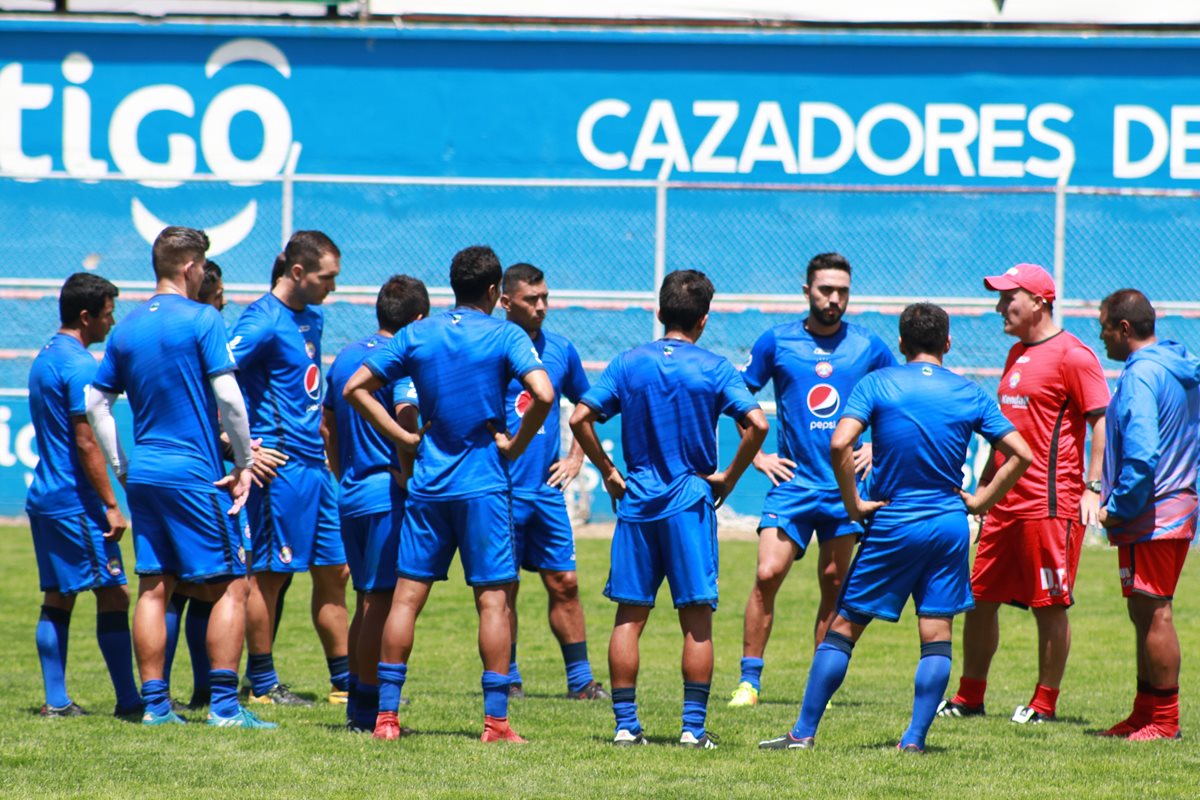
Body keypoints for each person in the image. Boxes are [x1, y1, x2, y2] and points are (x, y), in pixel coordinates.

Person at [759, 302, 1032, 753]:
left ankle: (803, 734)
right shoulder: (969, 391)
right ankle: (914, 740)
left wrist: (853, 503)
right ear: (947, 343)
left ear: (902, 343)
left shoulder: (878, 383)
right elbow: (1020, 453)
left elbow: (840, 441)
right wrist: (981, 501)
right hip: (948, 523)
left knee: (844, 627)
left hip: (893, 520)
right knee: (937, 632)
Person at [345, 244, 553, 743]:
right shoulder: (506, 335)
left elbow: (356, 387)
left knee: (406, 599)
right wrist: (516, 443)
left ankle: (387, 719)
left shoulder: (418, 333)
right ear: (493, 292)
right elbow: (544, 394)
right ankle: (496, 723)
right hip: (483, 485)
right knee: (493, 603)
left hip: (429, 484)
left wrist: (405, 439)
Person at [571, 269, 769, 749]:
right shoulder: (714, 367)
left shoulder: (627, 363)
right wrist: (728, 477)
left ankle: (624, 726)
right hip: (688, 503)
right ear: (703, 319)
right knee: (696, 619)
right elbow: (757, 425)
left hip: (637, 502)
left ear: (659, 313)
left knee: (629, 617)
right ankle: (692, 730)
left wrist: (610, 472)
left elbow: (580, 417)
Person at [86, 225, 271, 728]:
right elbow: (230, 398)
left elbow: (96, 402)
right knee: (234, 585)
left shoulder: (124, 329)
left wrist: (122, 464)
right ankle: (227, 710)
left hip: (146, 470)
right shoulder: (202, 319)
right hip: (195, 471)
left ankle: (156, 706)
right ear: (191, 268)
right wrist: (244, 464)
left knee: (154, 584)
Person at [941, 263, 1109, 725]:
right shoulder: (1016, 353)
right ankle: (969, 697)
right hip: (1004, 504)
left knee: (1049, 604)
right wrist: (984, 488)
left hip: (1050, 506)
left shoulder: (1074, 355)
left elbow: (1100, 421)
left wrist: (1093, 487)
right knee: (978, 598)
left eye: (1007, 298)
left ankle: (1044, 704)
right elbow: (1008, 434)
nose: (999, 307)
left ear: (1039, 301)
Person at [728, 252, 895, 708]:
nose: (834, 299)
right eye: (826, 290)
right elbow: (735, 396)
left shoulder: (868, 347)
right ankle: (749, 682)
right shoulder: (776, 342)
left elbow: (897, 401)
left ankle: (815, 688)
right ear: (807, 291)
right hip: (794, 484)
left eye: (842, 291)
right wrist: (758, 456)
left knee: (834, 582)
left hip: (844, 489)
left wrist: (876, 446)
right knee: (767, 573)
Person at [231, 231, 350, 706]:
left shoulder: (312, 319)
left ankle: (345, 682)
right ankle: (262, 684)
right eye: (327, 278)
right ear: (297, 272)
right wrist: (240, 446)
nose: (333, 288)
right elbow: (213, 374)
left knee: (335, 571)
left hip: (315, 468)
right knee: (270, 575)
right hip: (279, 469)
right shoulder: (261, 320)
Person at [26, 272, 141, 718]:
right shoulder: (80, 366)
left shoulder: (45, 357)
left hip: (46, 496)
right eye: (108, 315)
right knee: (114, 594)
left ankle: (57, 701)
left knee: (58, 596)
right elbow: (86, 439)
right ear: (86, 315)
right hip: (75, 502)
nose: (111, 324)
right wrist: (112, 503)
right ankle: (129, 701)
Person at [324, 274, 429, 732]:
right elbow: (407, 418)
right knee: (380, 603)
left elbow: (327, 427)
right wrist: (408, 473)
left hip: (349, 492)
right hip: (386, 494)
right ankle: (369, 709)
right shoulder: (400, 362)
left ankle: (355, 706)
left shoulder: (346, 357)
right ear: (418, 319)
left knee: (366, 597)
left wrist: (342, 473)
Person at [499, 262, 608, 701]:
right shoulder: (491, 347)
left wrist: (576, 457)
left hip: (546, 493)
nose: (542, 307)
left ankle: (580, 681)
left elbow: (586, 407)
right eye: (531, 299)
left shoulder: (561, 349)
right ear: (506, 302)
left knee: (564, 583)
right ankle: (506, 677)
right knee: (502, 587)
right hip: (501, 489)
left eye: (545, 297)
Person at [1096, 289, 1199, 741]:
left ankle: (1165, 720)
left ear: (1123, 328)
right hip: (1168, 507)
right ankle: (1144, 714)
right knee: (1143, 611)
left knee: (1155, 612)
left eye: (1103, 327)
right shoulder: (1174, 365)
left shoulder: (1140, 375)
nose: (1101, 339)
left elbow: (1142, 454)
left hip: (1152, 512)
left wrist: (1116, 507)